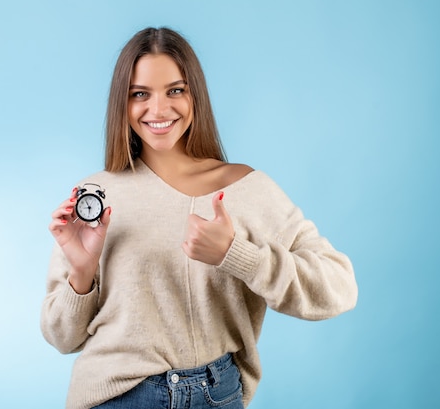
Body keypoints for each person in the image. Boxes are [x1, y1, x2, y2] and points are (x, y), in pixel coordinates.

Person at [41, 27, 358, 409]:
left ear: (196, 96)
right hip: (116, 397)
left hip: (216, 395)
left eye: (175, 90)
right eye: (140, 94)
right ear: (121, 104)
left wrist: (239, 255)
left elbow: (339, 288)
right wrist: (81, 273)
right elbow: (62, 338)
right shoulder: (97, 194)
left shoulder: (247, 189)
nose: (158, 110)